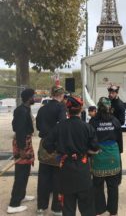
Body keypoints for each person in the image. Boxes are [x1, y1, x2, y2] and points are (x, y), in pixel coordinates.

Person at [43, 96, 99, 216]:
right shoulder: (87, 127)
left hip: (65, 169)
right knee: (87, 207)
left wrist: (58, 151)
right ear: (81, 109)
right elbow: (95, 147)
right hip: (82, 169)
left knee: (67, 207)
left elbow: (47, 144)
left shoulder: (59, 126)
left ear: (67, 110)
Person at [36, 86, 67, 216]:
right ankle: (56, 208)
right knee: (58, 179)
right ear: (61, 95)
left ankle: (41, 208)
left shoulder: (42, 108)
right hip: (56, 146)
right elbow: (63, 125)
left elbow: (38, 126)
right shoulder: (61, 107)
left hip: (43, 145)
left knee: (43, 178)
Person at [90, 97, 123, 216]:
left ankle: (99, 210)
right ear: (110, 107)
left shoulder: (93, 122)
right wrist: (119, 152)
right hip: (113, 155)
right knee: (113, 186)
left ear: (98, 107)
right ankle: (113, 212)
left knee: (97, 185)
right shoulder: (115, 121)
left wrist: (92, 152)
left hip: (98, 155)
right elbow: (119, 139)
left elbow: (90, 140)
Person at [7, 89, 35, 214]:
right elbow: (19, 130)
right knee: (21, 173)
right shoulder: (21, 111)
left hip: (25, 142)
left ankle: (21, 195)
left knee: (26, 171)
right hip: (22, 144)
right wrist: (22, 149)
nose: (34, 98)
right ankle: (14, 204)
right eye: (33, 96)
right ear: (29, 98)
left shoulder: (25, 109)